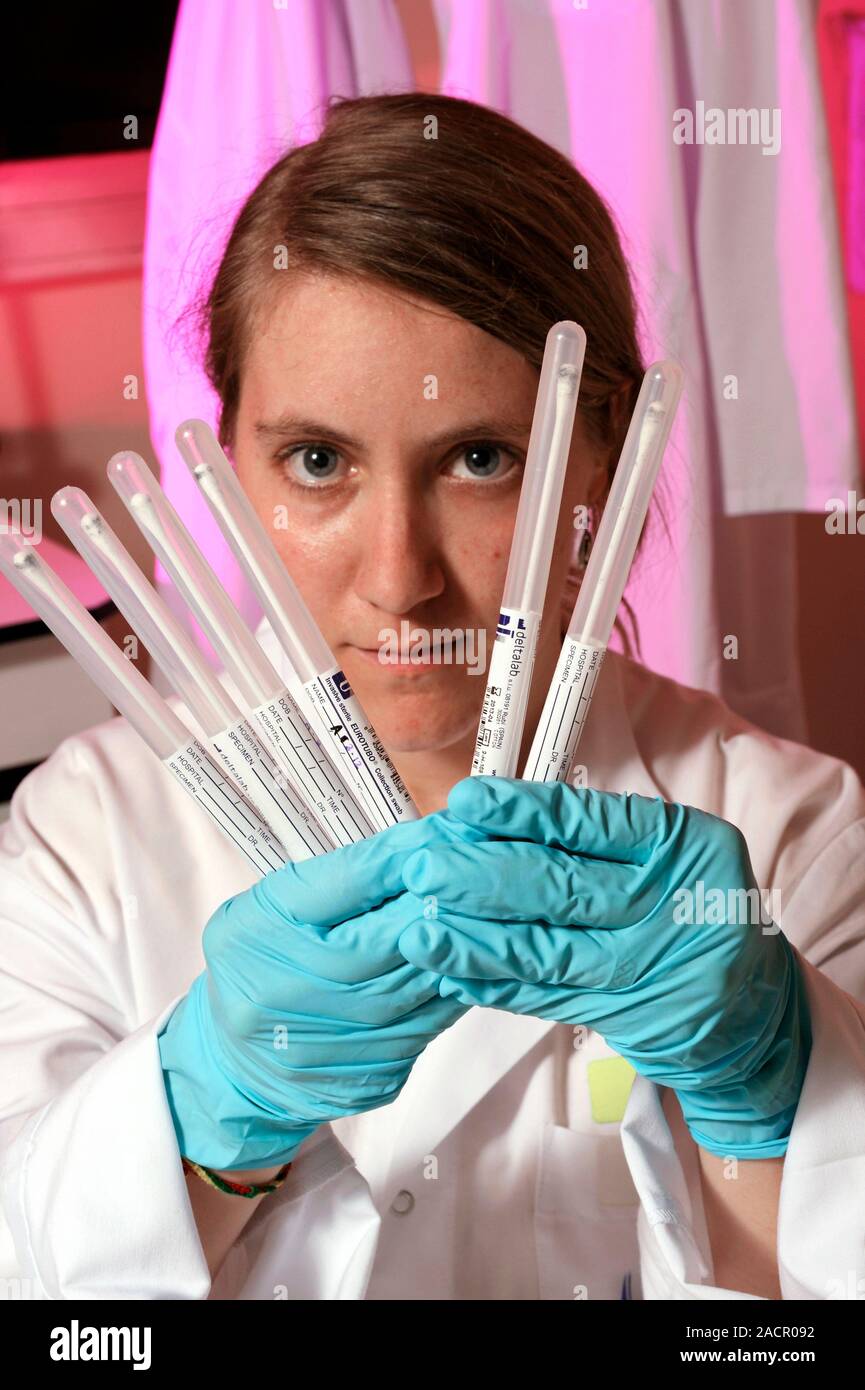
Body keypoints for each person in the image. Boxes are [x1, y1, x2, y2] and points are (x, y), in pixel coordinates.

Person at [1, 92, 864, 1303]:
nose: (401, 578)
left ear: (600, 475)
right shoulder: (84, 838)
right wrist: (198, 1114)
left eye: (480, 458)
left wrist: (774, 1098)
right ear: (230, 470)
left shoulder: (791, 838)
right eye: (318, 461)